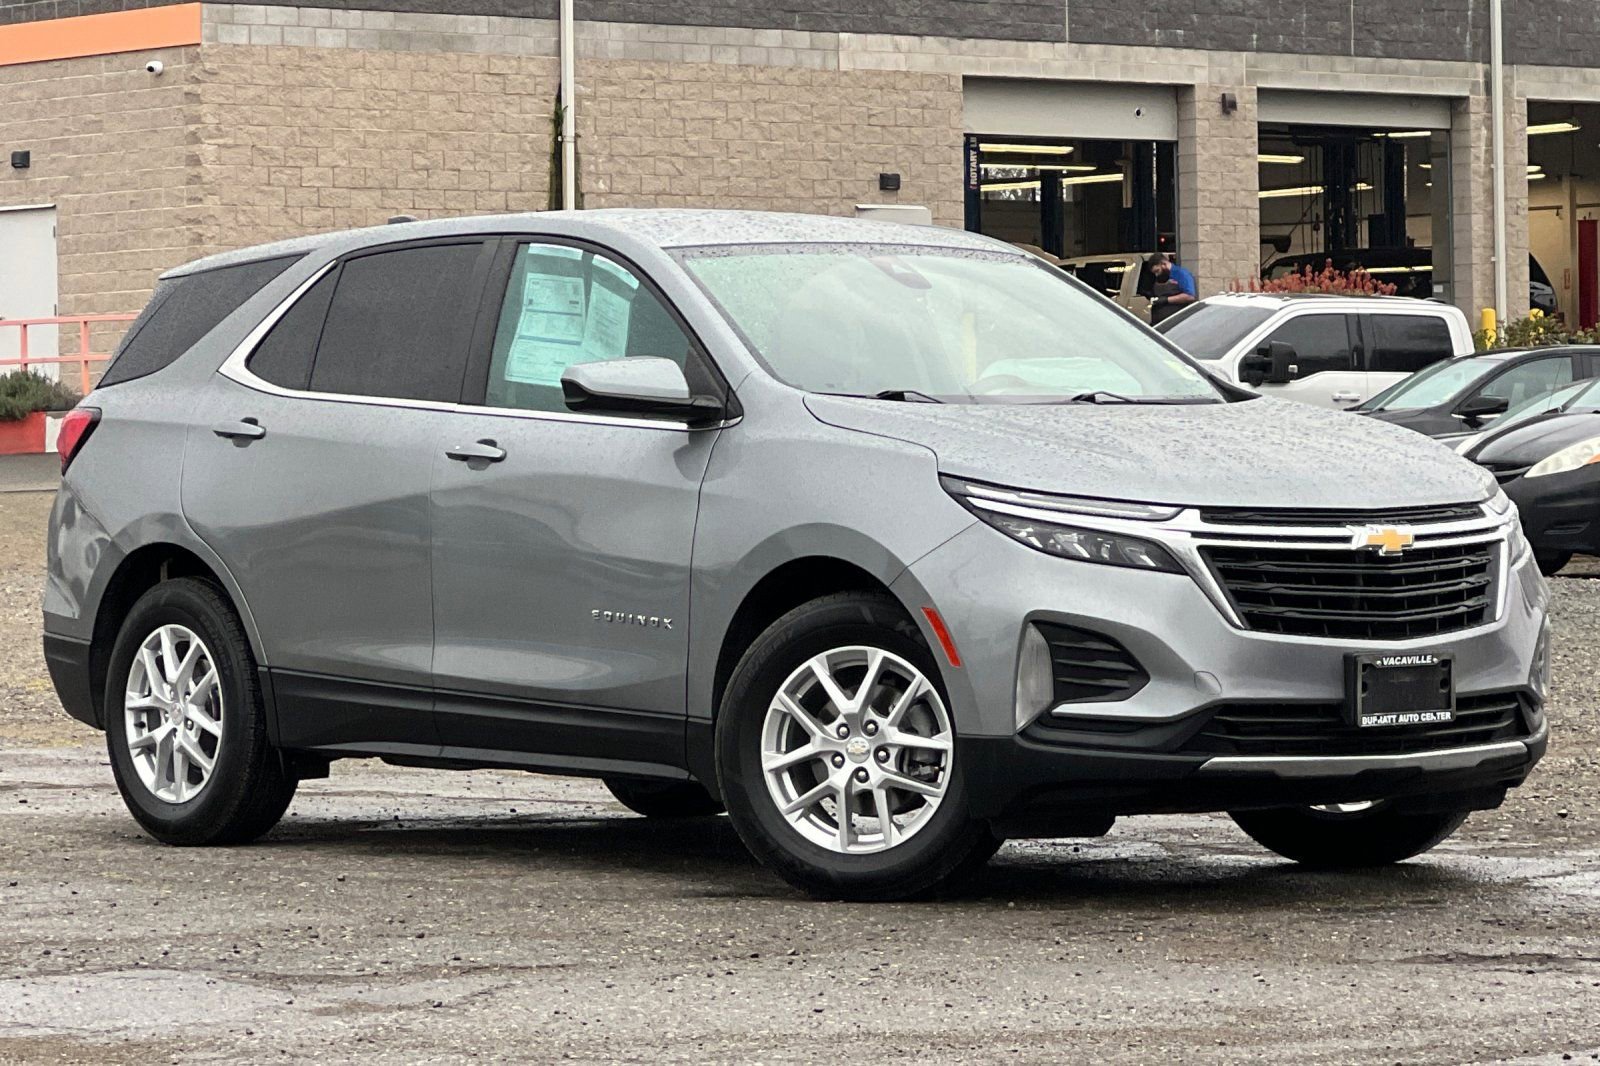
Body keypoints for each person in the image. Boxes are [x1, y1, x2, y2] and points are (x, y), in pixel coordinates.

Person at [1146, 252, 1196, 325]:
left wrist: (1166, 300)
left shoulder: (1181, 274)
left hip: (1177, 321)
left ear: (1163, 264)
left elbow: (1190, 296)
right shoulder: (1161, 276)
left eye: (1157, 271)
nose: (1156, 275)